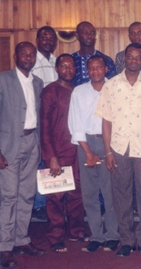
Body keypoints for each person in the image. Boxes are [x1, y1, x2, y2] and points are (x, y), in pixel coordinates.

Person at [95, 43, 141, 258]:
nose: (133, 60)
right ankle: (126, 241)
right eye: (130, 57)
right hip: (119, 150)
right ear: (124, 59)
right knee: (121, 197)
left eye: (138, 57)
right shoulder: (111, 86)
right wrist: (108, 153)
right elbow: (106, 121)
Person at [0, 42, 46, 268]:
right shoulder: (3, 79)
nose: (28, 57)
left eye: (32, 54)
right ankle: (5, 246)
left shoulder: (37, 82)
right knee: (9, 196)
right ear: (15, 56)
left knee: (27, 195)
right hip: (8, 146)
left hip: (31, 143)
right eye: (24, 53)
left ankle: (21, 239)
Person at [68, 55, 120, 253]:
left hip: (111, 144)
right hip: (86, 144)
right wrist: (88, 152)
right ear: (87, 71)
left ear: (106, 69)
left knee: (110, 193)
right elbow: (76, 124)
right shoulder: (79, 92)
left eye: (99, 67)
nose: (96, 71)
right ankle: (97, 236)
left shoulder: (115, 89)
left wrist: (109, 150)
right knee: (89, 194)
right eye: (92, 68)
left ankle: (113, 235)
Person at [40, 54, 87, 253]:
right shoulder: (50, 91)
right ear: (57, 69)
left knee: (77, 193)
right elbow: (44, 126)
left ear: (75, 69)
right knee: (56, 195)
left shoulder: (79, 91)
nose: (68, 69)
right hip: (57, 151)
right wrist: (51, 156)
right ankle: (56, 235)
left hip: (78, 150)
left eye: (71, 66)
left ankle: (76, 230)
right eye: (64, 66)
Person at [31, 26, 59, 221]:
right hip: (37, 118)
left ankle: (51, 202)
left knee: (52, 159)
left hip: (55, 120)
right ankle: (39, 204)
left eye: (51, 38)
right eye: (44, 37)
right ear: (37, 39)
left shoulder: (57, 62)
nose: (48, 41)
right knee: (40, 161)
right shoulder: (32, 62)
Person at [72, 21, 116, 86]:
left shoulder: (106, 60)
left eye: (92, 33)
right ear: (77, 35)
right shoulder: (71, 60)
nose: (89, 36)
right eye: (85, 33)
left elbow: (113, 84)